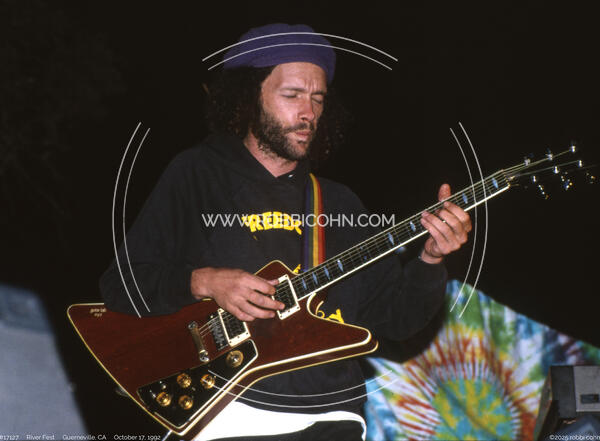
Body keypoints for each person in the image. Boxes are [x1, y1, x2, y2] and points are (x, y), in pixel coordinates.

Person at [100, 23, 472, 441]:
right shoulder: (197, 174)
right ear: (249, 97)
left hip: (333, 418)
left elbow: (398, 319)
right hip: (228, 416)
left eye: (318, 99)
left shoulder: (339, 203)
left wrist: (430, 259)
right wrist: (204, 282)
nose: (308, 112)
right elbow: (121, 286)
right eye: (292, 95)